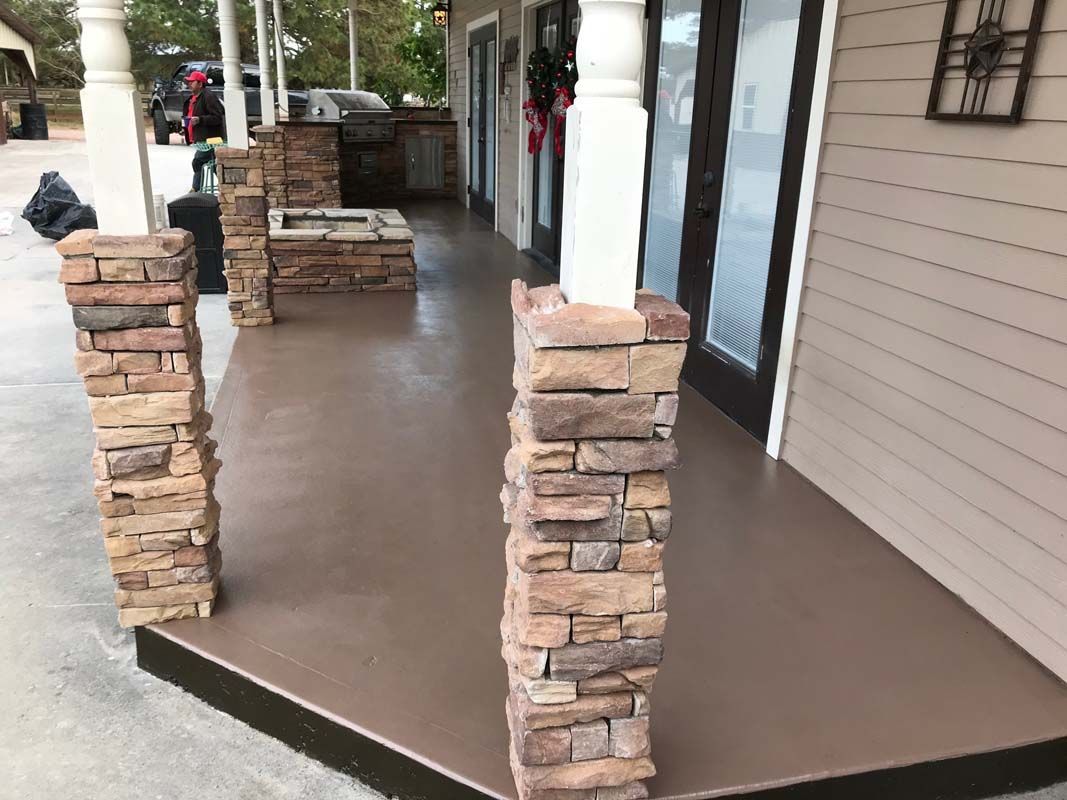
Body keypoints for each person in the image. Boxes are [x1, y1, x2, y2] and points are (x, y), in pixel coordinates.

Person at [182, 70, 226, 191]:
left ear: (200, 84)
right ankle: (226, 186)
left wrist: (200, 120)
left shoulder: (208, 96)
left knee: (198, 162)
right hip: (201, 139)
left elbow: (217, 117)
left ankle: (195, 189)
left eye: (192, 82)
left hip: (210, 139)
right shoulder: (193, 98)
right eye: (189, 82)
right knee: (212, 165)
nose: (189, 84)